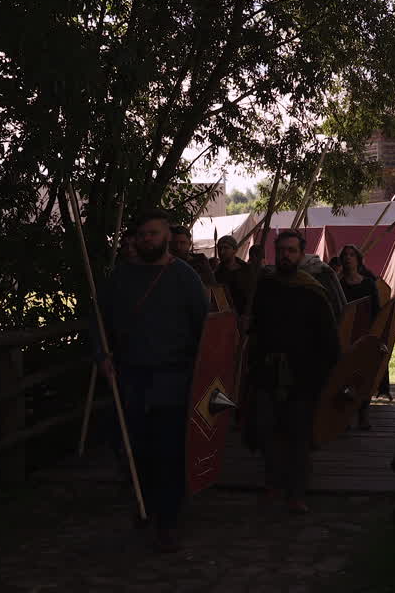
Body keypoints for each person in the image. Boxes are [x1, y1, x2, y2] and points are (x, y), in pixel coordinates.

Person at [96, 210, 208, 552]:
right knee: (136, 452)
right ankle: (145, 506)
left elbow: (205, 330)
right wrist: (102, 356)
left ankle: (167, 521)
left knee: (168, 454)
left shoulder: (185, 278)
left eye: (154, 233)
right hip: (131, 379)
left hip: (173, 380)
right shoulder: (119, 279)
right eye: (143, 234)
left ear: (166, 237)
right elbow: (98, 321)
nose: (148, 239)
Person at [246, 229, 340, 514]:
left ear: (301, 254)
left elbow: (329, 339)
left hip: (303, 375)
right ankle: (273, 486)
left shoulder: (313, 291)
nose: (286, 255)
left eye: (292, 251)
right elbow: (254, 330)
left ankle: (296, 493)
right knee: (268, 432)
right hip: (267, 372)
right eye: (282, 250)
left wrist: (322, 377)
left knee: (299, 435)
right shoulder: (263, 287)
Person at [339, 244, 390, 421]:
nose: (348, 258)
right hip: (346, 334)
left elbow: (376, 311)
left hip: (365, 332)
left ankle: (363, 411)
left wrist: (376, 334)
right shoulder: (339, 284)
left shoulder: (368, 283)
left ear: (358, 259)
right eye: (345, 255)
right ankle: (345, 414)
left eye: (352, 255)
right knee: (346, 374)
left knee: (364, 373)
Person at [214, 235, 255, 313]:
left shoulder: (248, 270)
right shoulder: (216, 274)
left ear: (235, 250)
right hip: (227, 317)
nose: (221, 252)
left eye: (226, 248)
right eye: (219, 248)